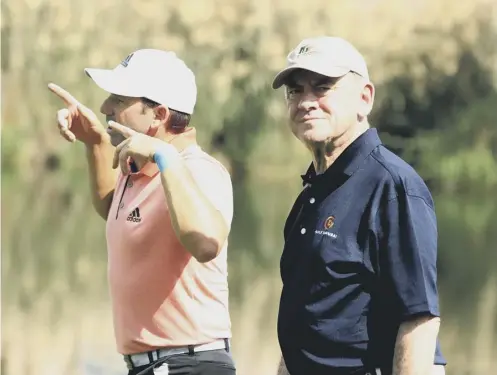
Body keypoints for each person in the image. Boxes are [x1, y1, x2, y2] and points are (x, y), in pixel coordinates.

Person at [48, 49, 236, 375]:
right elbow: (114, 209)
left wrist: (166, 159)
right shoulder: (137, 166)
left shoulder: (199, 170)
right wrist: (94, 142)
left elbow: (206, 244)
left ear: (158, 114)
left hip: (190, 365)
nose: (106, 107)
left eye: (119, 100)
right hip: (151, 366)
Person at [271, 36, 447, 375]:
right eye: (295, 90)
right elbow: (305, 322)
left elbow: (419, 321)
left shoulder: (393, 187)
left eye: (322, 88)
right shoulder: (313, 192)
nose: (306, 101)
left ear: (364, 98)